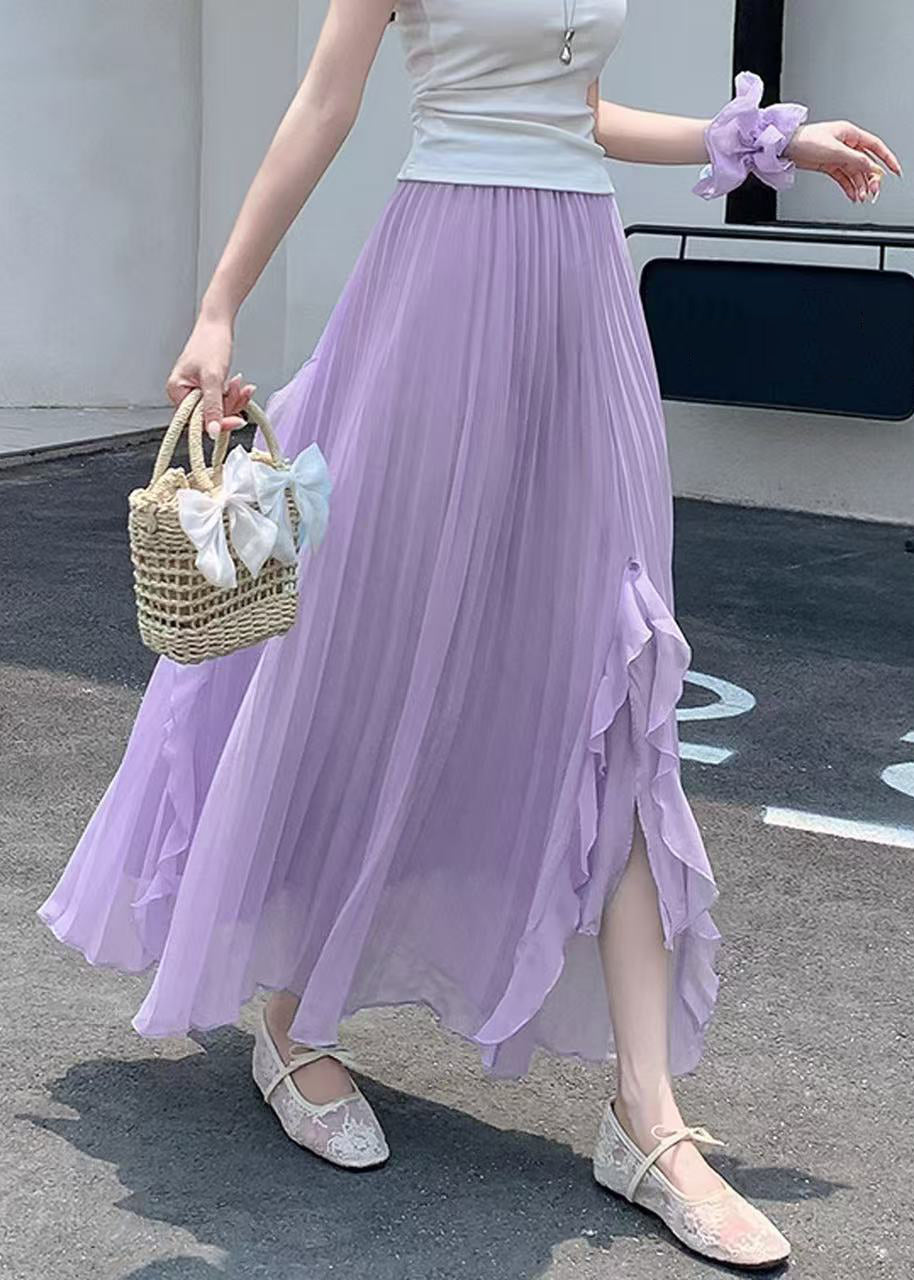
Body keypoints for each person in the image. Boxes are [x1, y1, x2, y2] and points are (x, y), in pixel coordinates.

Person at [38, 1, 899, 1269]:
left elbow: (576, 112)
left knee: (618, 665)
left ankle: (646, 1115)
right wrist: (219, 303)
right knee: (375, 647)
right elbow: (323, 103)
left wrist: (760, 142)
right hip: (440, 292)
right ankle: (292, 1015)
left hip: (579, 305)